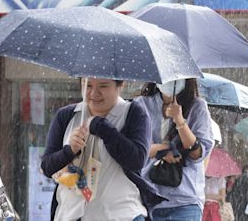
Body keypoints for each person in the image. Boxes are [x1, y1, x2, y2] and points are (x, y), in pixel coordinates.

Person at [41, 78, 165, 221]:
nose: (94, 93)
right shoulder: (66, 116)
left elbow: (137, 160)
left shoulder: (134, 113)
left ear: (120, 85)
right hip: (70, 215)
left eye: (103, 86)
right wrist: (69, 150)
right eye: (88, 85)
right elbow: (47, 167)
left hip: (121, 215)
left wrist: (104, 129)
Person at [136, 79, 214, 221]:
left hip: (184, 201)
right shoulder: (141, 104)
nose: (170, 81)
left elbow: (198, 153)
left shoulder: (197, 106)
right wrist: (162, 150)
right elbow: (135, 148)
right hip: (147, 198)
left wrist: (180, 120)